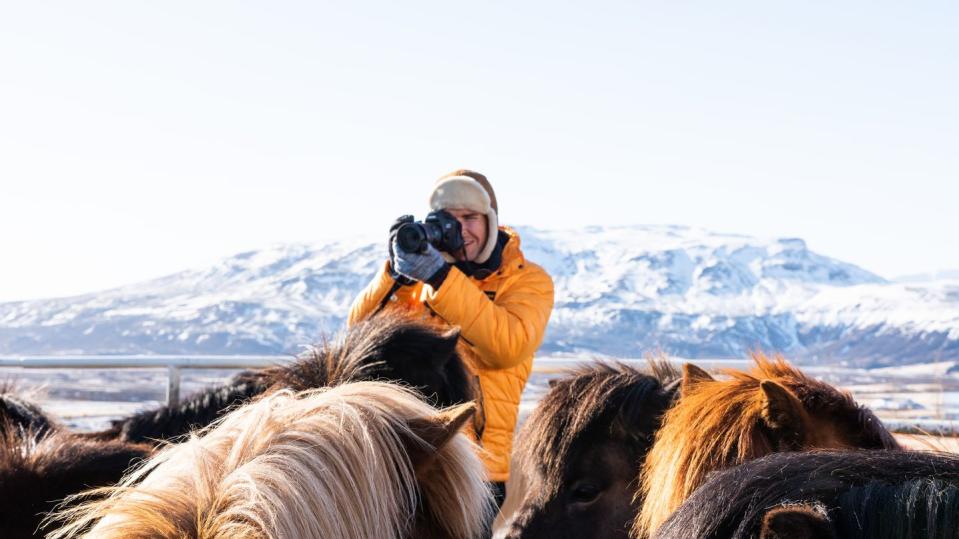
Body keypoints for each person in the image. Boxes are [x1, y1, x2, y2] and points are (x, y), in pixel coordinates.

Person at [348, 169, 554, 506]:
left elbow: (507, 347)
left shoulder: (526, 280)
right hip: (407, 458)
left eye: (470, 217)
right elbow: (358, 337)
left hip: (478, 469)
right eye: (447, 219)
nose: (459, 229)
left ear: (492, 221)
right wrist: (394, 277)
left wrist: (441, 278)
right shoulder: (415, 276)